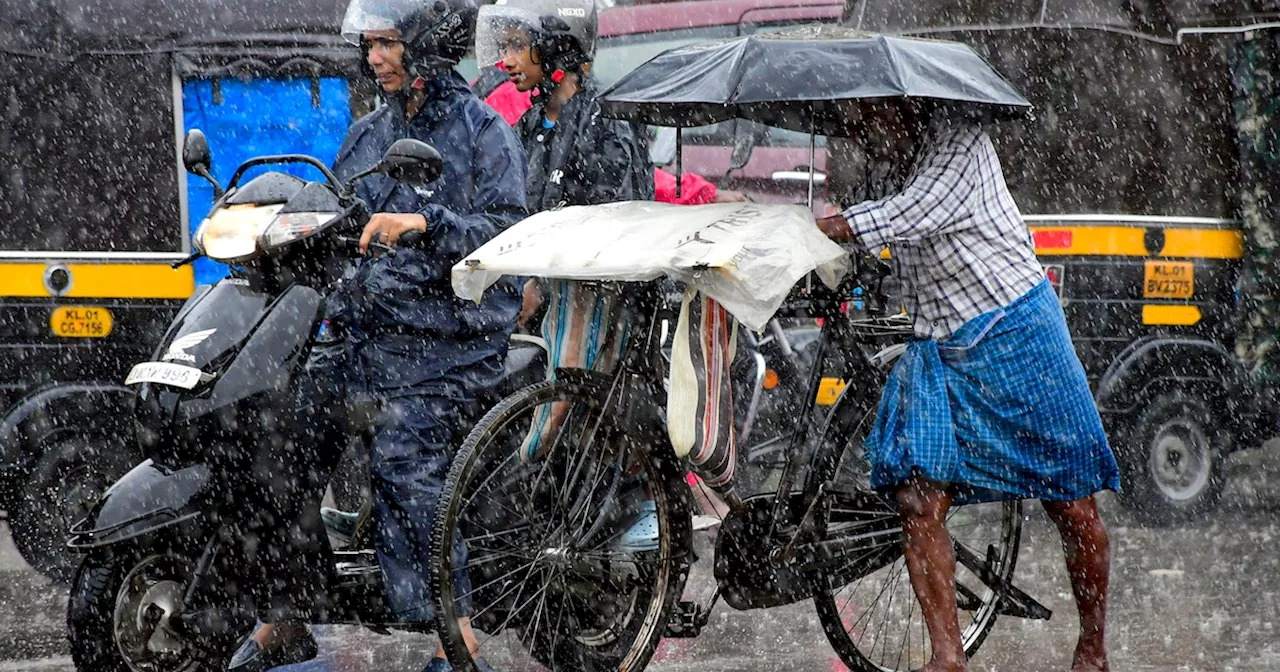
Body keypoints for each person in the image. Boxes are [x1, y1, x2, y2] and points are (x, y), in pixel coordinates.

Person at [226, 0, 525, 670]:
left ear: (428, 47)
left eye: (389, 44)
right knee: (274, 431)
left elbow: (508, 234)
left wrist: (429, 223)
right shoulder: (366, 135)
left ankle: (459, 634)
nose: (375, 58)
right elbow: (338, 224)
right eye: (371, 45)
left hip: (450, 341)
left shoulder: (483, 134)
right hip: (369, 336)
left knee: (402, 455)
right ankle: (287, 610)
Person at [815, 102, 1120, 672]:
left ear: (904, 109)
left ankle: (1092, 647)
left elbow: (907, 215)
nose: (861, 133)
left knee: (1071, 503)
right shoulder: (889, 164)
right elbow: (892, 241)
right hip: (942, 348)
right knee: (916, 499)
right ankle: (948, 658)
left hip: (1018, 332)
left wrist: (819, 229)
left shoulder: (961, 145)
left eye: (869, 118)